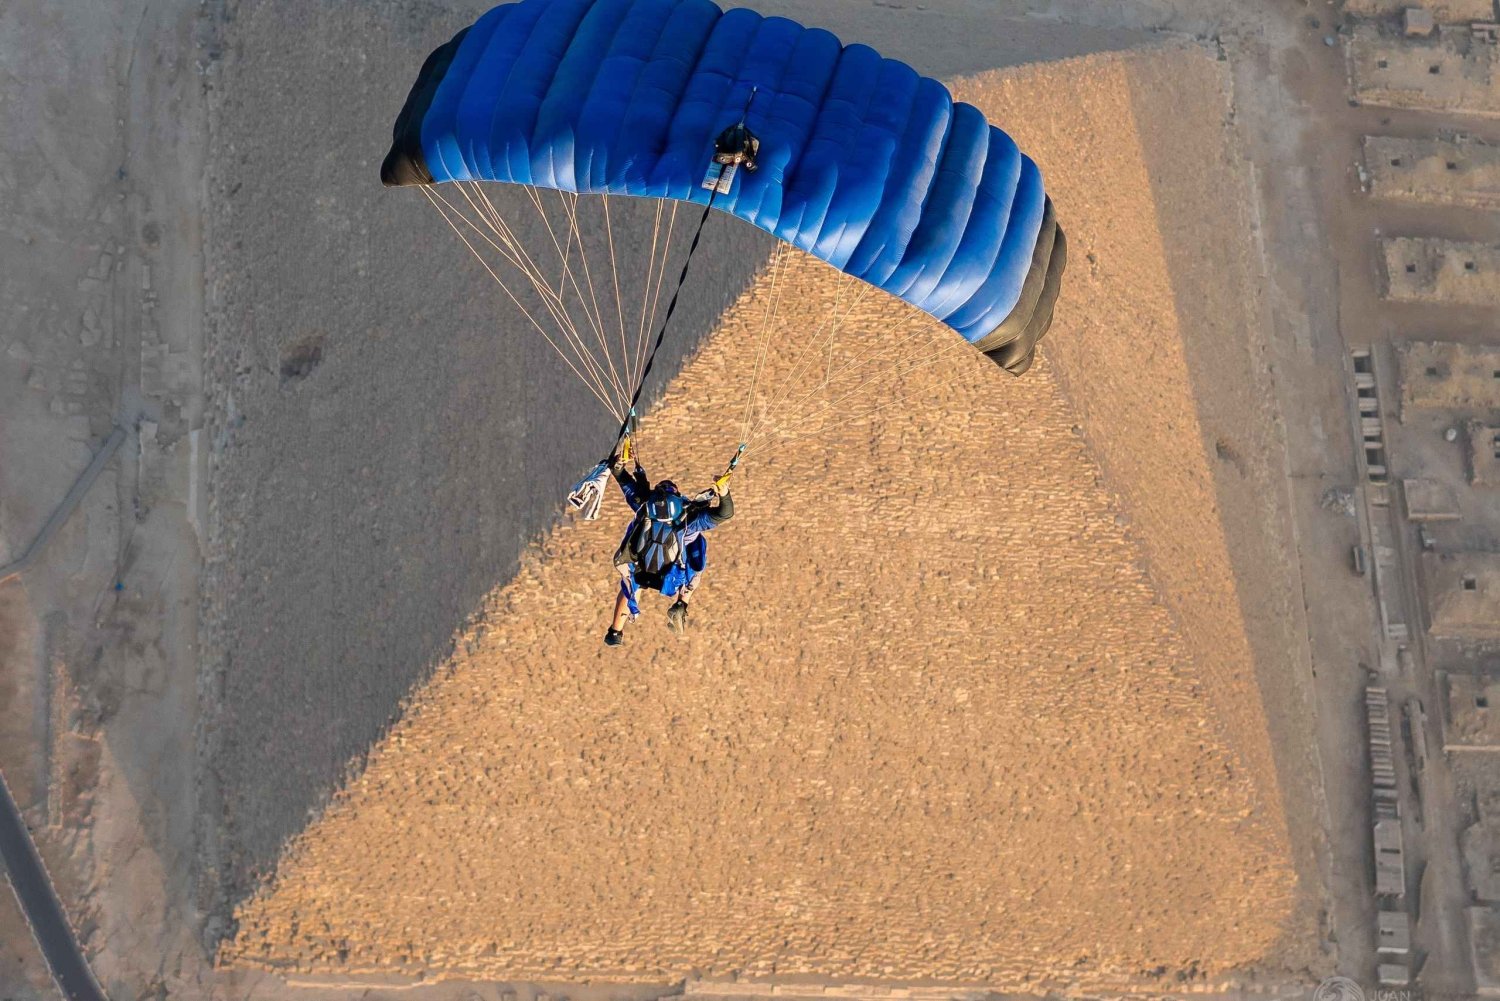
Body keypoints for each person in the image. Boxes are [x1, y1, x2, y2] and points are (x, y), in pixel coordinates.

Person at [604, 440, 734, 645]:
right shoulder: (690, 520)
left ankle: (615, 633)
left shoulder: (643, 505)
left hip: (641, 571)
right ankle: (681, 603)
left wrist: (620, 463)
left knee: (631, 587)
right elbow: (725, 514)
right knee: (697, 549)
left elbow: (621, 477)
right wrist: (724, 494)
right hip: (672, 579)